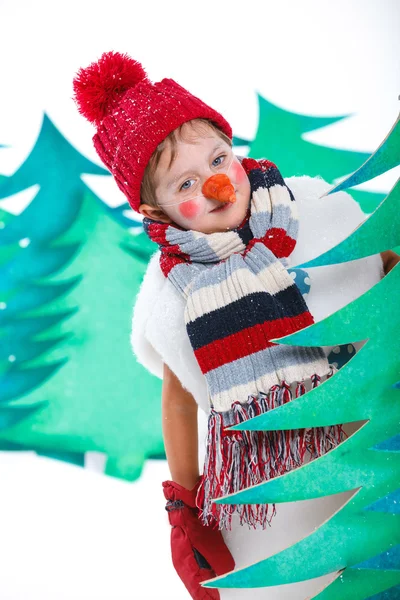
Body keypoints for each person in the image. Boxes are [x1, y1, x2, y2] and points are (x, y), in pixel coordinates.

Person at [73, 51, 399, 600]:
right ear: (155, 215)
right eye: (186, 185)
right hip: (271, 486)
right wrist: (184, 503)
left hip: (372, 444)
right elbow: (179, 398)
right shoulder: (175, 296)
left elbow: (378, 264)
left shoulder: (314, 208)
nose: (217, 185)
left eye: (219, 159)